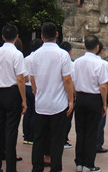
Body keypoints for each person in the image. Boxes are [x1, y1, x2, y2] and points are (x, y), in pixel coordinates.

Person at [29, 22, 74, 172]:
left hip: (41, 104)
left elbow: (33, 78)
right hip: (58, 104)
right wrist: (71, 99)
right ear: (56, 34)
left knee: (39, 138)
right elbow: (67, 79)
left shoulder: (35, 55)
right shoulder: (63, 54)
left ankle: (37, 167)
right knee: (57, 139)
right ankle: (55, 168)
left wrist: (36, 93)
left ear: (41, 36)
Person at [0, 24, 27, 172]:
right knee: (11, 130)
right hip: (12, 94)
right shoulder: (17, 54)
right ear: (16, 37)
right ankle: (11, 167)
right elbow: (20, 79)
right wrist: (24, 100)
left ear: (3, 36)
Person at [73, 35, 108, 172]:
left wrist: (76, 97)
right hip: (94, 99)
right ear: (97, 47)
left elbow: (73, 81)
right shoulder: (99, 63)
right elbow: (103, 86)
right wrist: (104, 104)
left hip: (80, 98)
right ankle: (89, 164)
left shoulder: (77, 62)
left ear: (84, 46)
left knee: (80, 131)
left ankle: (79, 163)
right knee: (91, 132)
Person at [22, 38, 43, 145]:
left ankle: (26, 135)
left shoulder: (26, 59)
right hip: (35, 87)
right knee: (35, 112)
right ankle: (32, 135)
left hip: (26, 86)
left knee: (27, 112)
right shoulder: (39, 58)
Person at [95, 42, 108, 154]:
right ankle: (97, 144)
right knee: (100, 121)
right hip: (98, 96)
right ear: (100, 50)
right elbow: (106, 83)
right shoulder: (103, 64)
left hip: (82, 96)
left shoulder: (78, 62)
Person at [59, 41, 75, 149]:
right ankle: (63, 139)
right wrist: (72, 98)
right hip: (66, 94)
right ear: (69, 52)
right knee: (67, 119)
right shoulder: (71, 64)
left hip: (56, 94)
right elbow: (70, 80)